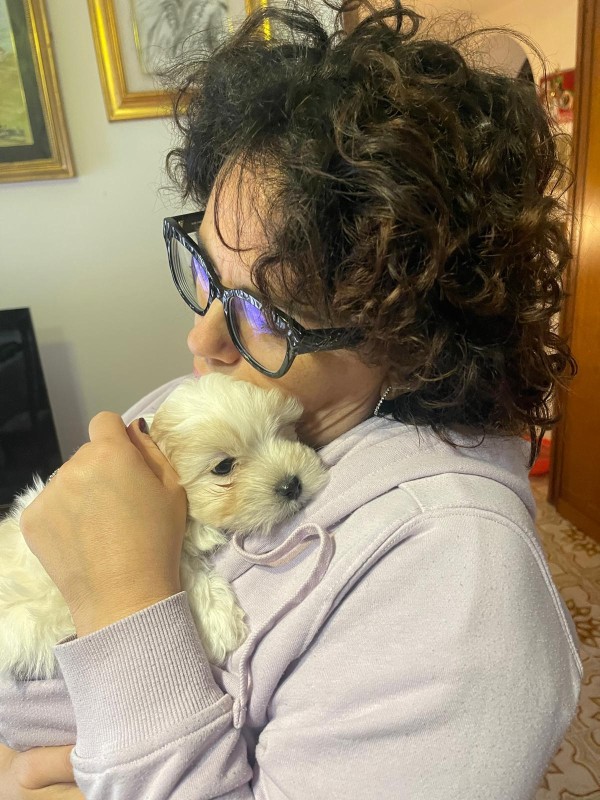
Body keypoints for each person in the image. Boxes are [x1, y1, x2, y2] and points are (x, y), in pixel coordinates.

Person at [0, 1, 582, 797]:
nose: (202, 339)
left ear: (409, 334)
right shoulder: (243, 392)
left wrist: (124, 604)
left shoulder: (462, 589)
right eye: (206, 273)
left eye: (269, 311)